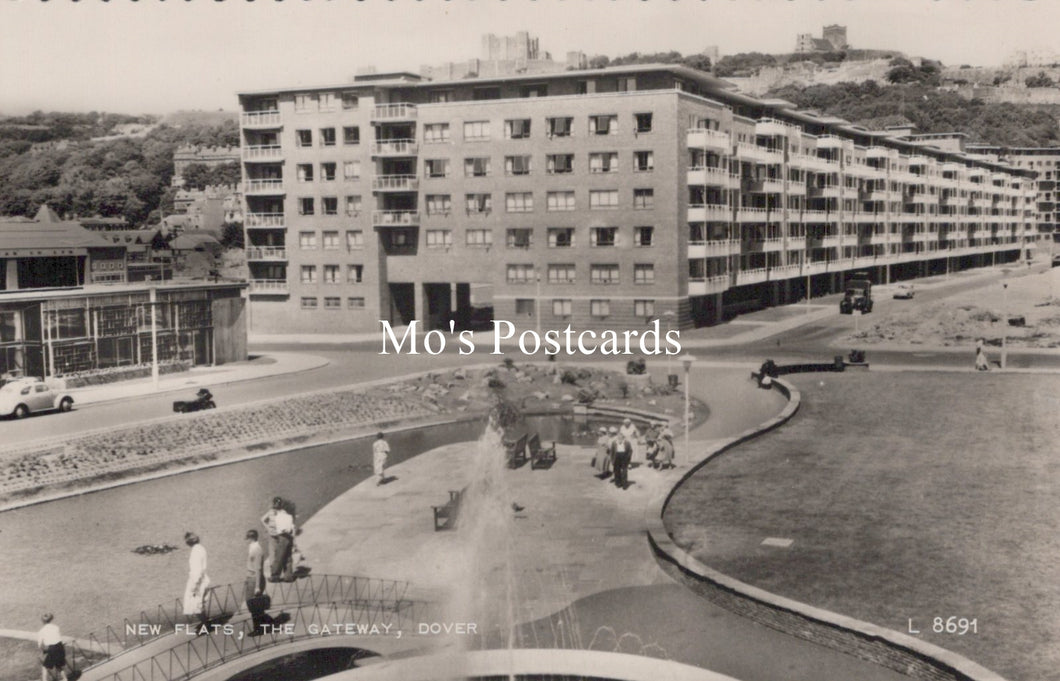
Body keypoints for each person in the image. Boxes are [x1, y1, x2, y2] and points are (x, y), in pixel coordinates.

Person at [182, 532, 211, 625]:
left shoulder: (195, 552)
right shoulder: (201, 548)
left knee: (195, 605)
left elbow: (196, 570)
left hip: (198, 581)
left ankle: (205, 624)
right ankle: (205, 623)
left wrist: (194, 586)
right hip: (203, 578)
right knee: (199, 604)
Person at [268, 499, 295, 582]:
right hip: (289, 537)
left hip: (282, 537)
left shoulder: (278, 517)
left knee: (279, 557)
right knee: (288, 557)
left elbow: (281, 529)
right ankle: (288, 576)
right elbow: (291, 529)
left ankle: (274, 576)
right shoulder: (290, 516)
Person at [37, 613, 67, 681]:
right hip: (60, 647)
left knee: (45, 667)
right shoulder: (56, 627)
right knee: (58, 665)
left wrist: (43, 651)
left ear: (42, 621)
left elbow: (40, 645)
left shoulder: (41, 631)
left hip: (52, 649)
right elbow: (59, 638)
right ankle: (65, 679)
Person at [243, 530, 265, 603]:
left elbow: (258, 568)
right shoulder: (252, 547)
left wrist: (257, 587)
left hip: (254, 579)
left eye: (247, 539)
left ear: (251, 539)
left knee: (251, 602)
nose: (246, 541)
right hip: (250, 578)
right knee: (250, 601)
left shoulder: (256, 549)